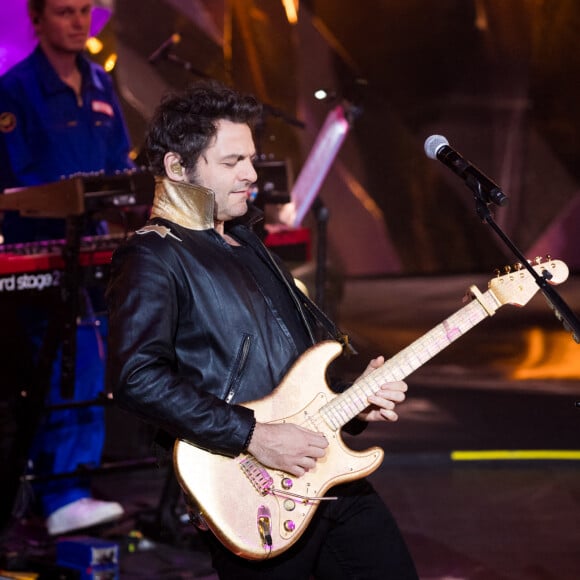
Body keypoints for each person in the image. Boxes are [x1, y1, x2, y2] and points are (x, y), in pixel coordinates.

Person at [106, 81, 418, 579]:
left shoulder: (248, 242)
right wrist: (253, 435)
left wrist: (352, 399)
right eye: (232, 163)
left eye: (251, 159)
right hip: (254, 491)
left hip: (328, 475)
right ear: (176, 167)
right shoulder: (154, 256)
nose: (252, 174)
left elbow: (290, 367)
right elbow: (136, 377)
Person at [0, 0, 133, 535]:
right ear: (36, 20)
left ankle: (67, 487)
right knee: (63, 364)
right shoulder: (13, 90)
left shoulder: (101, 83)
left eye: (84, 11)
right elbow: (19, 185)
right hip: (43, 254)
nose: (78, 22)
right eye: (63, 12)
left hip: (96, 252)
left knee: (92, 360)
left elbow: (121, 168)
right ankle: (62, 493)